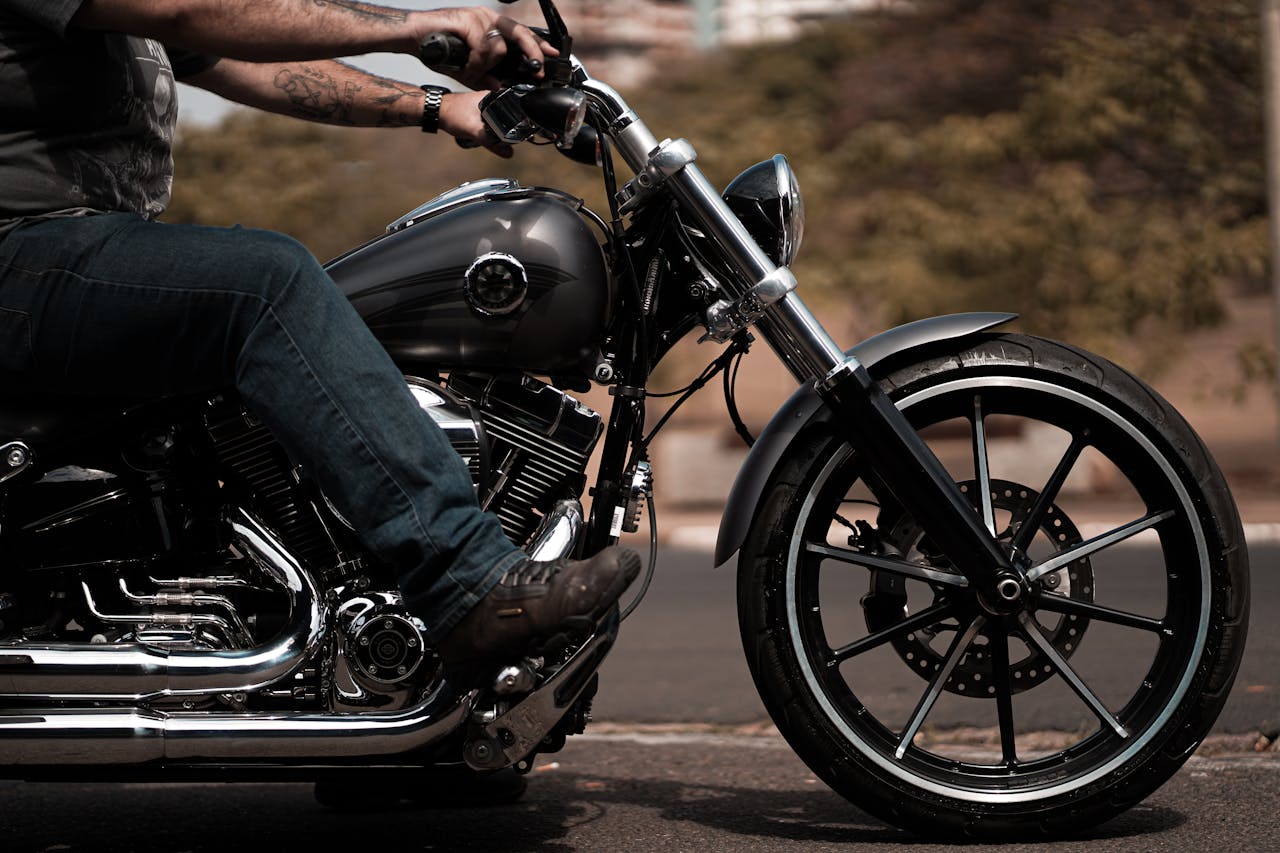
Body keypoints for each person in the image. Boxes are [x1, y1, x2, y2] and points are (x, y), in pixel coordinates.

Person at [0, 1, 640, 684]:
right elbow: (197, 13)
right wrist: (412, 28)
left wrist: (437, 108)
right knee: (265, 283)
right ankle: (466, 578)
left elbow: (244, 63)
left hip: (68, 253)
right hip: (20, 257)